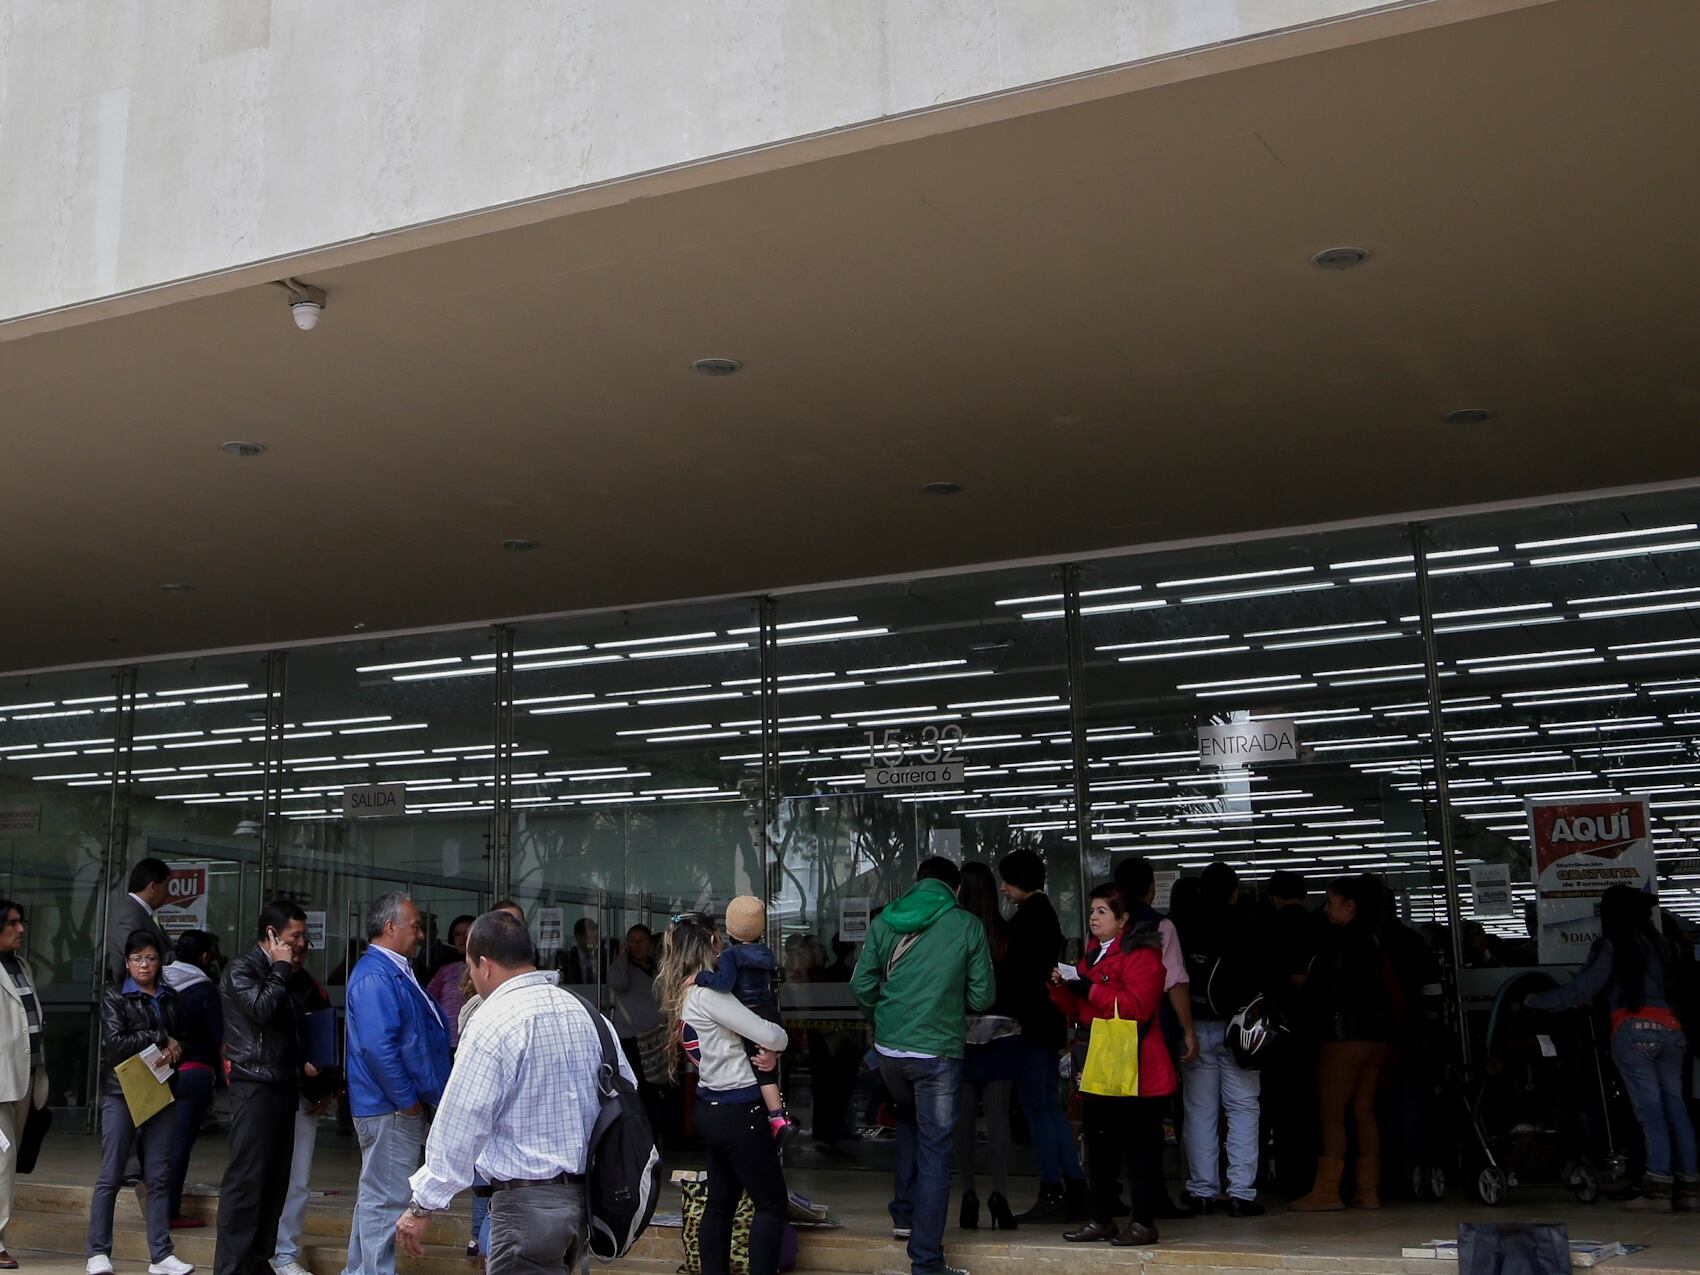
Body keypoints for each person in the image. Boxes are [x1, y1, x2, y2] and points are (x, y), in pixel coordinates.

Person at [396, 911, 637, 1275]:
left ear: (484, 964)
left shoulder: (493, 1022)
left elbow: (462, 1121)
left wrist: (422, 1205)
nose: (472, 978)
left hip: (526, 1207)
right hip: (587, 1202)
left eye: (470, 967)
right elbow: (626, 1093)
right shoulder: (588, 1014)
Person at [851, 858, 994, 1275]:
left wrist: (883, 1017)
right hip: (936, 1053)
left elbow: (861, 984)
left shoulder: (885, 921)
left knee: (910, 1122)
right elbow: (983, 997)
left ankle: (903, 1215)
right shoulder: (966, 925)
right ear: (955, 889)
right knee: (936, 1152)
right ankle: (927, 1260)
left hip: (891, 1052)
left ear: (917, 882)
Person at [1529, 886, 1700, 1212]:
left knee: (1651, 1115)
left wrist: (1538, 1001)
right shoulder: (1665, 947)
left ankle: (1658, 1190)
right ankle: (1689, 1188)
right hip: (1672, 1032)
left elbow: (1584, 988)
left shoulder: (1613, 945)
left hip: (1634, 1034)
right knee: (1677, 1110)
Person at [656, 912, 789, 1275]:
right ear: (713, 942)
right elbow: (772, 1035)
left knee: (719, 1204)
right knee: (772, 1205)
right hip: (739, 1109)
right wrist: (777, 1044)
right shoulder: (710, 994)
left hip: (710, 1107)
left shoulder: (684, 991)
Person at [1057, 884, 1175, 1249]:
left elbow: (1136, 1007)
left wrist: (1085, 988)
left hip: (1135, 1063)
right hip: (1099, 1057)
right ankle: (1101, 1217)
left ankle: (1142, 1222)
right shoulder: (1093, 954)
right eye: (1092, 910)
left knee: (1138, 1147)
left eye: (1103, 911)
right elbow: (1079, 1008)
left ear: (1123, 919)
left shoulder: (1143, 955)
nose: (1093, 917)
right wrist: (1061, 986)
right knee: (1098, 1143)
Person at [343, 894, 451, 1275]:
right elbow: (378, 1047)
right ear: (390, 927)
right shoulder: (377, 974)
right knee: (386, 1200)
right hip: (389, 1106)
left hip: (391, 1103)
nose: (421, 934)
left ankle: (359, 1271)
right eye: (415, 926)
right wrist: (407, 1101)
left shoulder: (393, 969)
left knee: (376, 1195)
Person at [87, 931, 193, 1275]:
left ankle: (161, 1255)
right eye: (137, 959)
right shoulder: (116, 996)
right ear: (127, 962)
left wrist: (176, 1050)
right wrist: (161, 1037)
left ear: (159, 961)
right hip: (122, 1091)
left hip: (161, 1090)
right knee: (111, 1173)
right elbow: (116, 1043)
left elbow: (184, 1038)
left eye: (150, 958)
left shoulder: (170, 997)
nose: (144, 965)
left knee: (159, 1176)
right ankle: (98, 1252)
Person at [214, 902, 308, 1275]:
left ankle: (257, 1260)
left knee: (274, 1181)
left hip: (283, 1081)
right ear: (271, 935)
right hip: (254, 1083)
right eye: (294, 936)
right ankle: (232, 1266)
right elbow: (262, 1010)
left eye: (304, 936)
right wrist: (282, 969)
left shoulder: (286, 974)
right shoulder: (242, 968)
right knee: (247, 1180)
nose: (302, 944)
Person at [1291, 876, 1395, 1213]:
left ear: (1350, 905)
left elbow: (1330, 990)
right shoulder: (1373, 938)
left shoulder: (1341, 941)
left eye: (1332, 901)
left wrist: (1306, 984)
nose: (1326, 908)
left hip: (1345, 1034)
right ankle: (1369, 1189)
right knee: (1364, 1111)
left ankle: (1328, 1190)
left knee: (1331, 1112)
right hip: (1376, 1035)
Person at [997, 850, 1087, 1224]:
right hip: (1046, 1023)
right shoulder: (1045, 915)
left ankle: (1052, 1187)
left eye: (1007, 880)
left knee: (1039, 1108)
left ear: (1020, 880)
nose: (1003, 888)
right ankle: (1076, 1187)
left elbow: (1015, 977)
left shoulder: (1027, 920)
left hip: (1031, 1026)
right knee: (1048, 1108)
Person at [1174, 864, 1264, 1217]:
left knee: (1199, 1110)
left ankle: (1202, 1190)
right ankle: (1241, 1191)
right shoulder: (1246, 923)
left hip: (1197, 1026)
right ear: (1234, 890)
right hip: (1239, 1028)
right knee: (1243, 1107)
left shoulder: (1185, 925)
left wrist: (1185, 1028)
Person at [455, 900, 526, 1262]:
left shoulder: (546, 1001)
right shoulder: (477, 1010)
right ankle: (478, 1241)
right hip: (495, 1137)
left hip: (532, 1161)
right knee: (489, 1199)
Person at [692, 897, 795, 1141]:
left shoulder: (730, 956)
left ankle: (777, 1118)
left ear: (728, 929)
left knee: (760, 1071)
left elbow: (724, 983)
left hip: (748, 1014)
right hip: (768, 1011)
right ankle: (779, 1114)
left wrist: (701, 978)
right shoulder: (766, 953)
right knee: (767, 1068)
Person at [953, 863, 1020, 1231]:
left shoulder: (955, 934)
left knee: (962, 1120)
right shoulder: (1006, 934)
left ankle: (967, 1195)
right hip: (1003, 1033)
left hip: (958, 1033)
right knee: (998, 1121)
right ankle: (1000, 1196)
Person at [271, 938, 343, 1275]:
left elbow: (326, 1040)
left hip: (303, 1094)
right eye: (290, 948)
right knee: (262, 1176)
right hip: (266, 1094)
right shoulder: (259, 982)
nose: (295, 956)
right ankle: (260, 1250)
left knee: (298, 1179)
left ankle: (284, 1251)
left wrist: (325, 1090)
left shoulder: (313, 989)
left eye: (301, 949)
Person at [1261, 872, 1320, 1199]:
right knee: (1310, 1103)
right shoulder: (1318, 927)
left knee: (1278, 1105)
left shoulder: (1267, 929)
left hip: (1275, 1029)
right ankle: (1311, 1174)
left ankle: (1285, 1174)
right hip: (1312, 1028)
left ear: (1275, 897)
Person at [161, 930, 225, 1230]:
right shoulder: (204, 989)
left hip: (158, 1072)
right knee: (179, 1146)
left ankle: (155, 1200)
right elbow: (217, 1035)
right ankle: (167, 1211)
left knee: (159, 1142)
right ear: (203, 957)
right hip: (193, 1072)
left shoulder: (156, 981)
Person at [0, 900, 48, 1271]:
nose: (21, 929)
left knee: (9, 1160)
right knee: (1, 1161)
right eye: (13, 923)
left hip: (25, 1078)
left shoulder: (22, 966)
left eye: (21, 922)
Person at [607, 924, 665, 1134]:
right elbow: (618, 983)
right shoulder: (621, 968)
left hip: (656, 1038)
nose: (636, 945)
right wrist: (622, 956)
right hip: (631, 1038)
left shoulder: (655, 967)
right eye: (632, 940)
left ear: (650, 944)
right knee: (637, 1089)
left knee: (656, 1090)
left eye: (641, 941)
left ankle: (655, 1134)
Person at [106, 860, 172, 982]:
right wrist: (176, 957)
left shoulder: (140, 911)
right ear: (153, 887)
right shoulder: (129, 913)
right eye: (166, 886)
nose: (168, 893)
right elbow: (137, 955)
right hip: (136, 994)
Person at [424, 916, 475, 1049]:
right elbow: (428, 1001)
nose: (462, 938)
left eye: (467, 933)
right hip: (447, 1044)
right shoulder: (445, 968)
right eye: (457, 934)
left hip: (475, 1042)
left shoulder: (487, 968)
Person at [558, 918, 604, 986]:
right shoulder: (567, 958)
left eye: (595, 937)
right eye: (589, 938)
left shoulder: (602, 957)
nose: (593, 942)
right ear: (578, 937)